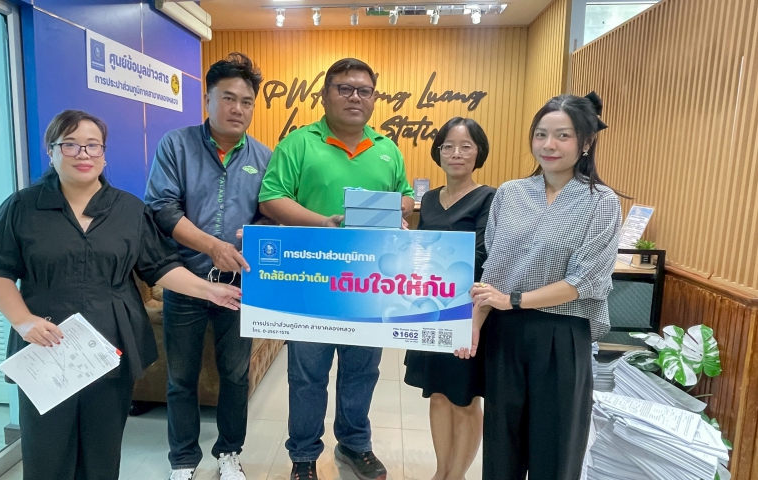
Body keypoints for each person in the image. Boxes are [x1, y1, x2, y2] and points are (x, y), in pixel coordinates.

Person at [0, 109, 242, 480]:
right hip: (45, 343)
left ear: (104, 153)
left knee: (102, 451)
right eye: (70, 144)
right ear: (51, 151)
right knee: (46, 452)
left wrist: (209, 290)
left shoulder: (129, 210)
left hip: (110, 343)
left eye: (92, 145)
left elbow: (161, 267)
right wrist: (22, 320)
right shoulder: (22, 207)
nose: (83, 154)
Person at [259, 57, 414, 480]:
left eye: (364, 90)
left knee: (362, 370)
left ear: (374, 98)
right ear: (325, 95)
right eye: (344, 88)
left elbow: (405, 195)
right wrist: (322, 223)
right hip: (310, 281)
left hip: (368, 284)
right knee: (306, 374)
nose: (355, 97)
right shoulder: (298, 144)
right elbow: (271, 199)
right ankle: (303, 456)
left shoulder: (386, 149)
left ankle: (354, 445)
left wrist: (397, 210)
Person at [455, 92, 623, 480]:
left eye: (563, 136)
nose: (549, 145)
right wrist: (475, 322)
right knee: (502, 447)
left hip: (561, 335)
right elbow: (494, 268)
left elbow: (586, 280)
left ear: (585, 143)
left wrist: (513, 299)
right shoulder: (510, 193)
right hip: (505, 334)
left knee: (556, 450)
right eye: (541, 134)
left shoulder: (601, 202)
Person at [144, 53, 270, 480]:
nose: (238, 109)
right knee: (181, 377)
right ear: (207, 100)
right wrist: (213, 246)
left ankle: (229, 452)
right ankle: (183, 459)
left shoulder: (263, 156)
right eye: (228, 98)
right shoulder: (176, 145)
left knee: (235, 374)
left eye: (247, 101)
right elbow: (162, 208)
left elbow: (269, 213)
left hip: (239, 285)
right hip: (186, 281)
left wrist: (255, 234)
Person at [403, 117, 495, 480]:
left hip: (468, 313)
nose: (456, 153)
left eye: (466, 146)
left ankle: (456, 476)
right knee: (438, 394)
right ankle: (441, 472)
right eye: (448, 146)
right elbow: (420, 255)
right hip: (430, 310)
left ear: (479, 153)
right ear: (438, 152)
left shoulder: (490, 198)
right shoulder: (427, 199)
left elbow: (485, 256)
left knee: (465, 399)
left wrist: (432, 254)